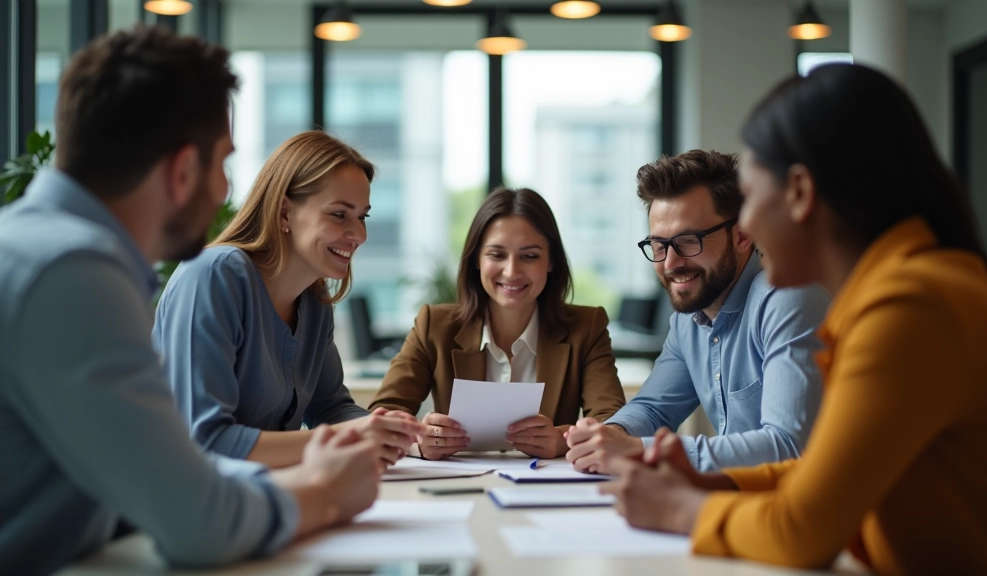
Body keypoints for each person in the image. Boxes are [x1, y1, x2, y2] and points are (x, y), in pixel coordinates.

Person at [600, 64, 987, 575]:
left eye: (753, 198)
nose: (747, 227)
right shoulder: (888, 294)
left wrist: (676, 507)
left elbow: (804, 530)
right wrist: (703, 479)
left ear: (800, 193)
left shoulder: (910, 305)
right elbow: (817, 476)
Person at [0, 26, 386, 575]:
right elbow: (196, 523)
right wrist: (323, 492)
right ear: (184, 170)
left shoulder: (35, 247)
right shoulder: (72, 273)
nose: (227, 190)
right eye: (223, 162)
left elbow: (150, 477)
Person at [153, 131, 424, 469]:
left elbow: (330, 408)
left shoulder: (314, 300)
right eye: (340, 214)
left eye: (362, 216)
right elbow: (204, 441)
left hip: (262, 496)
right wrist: (350, 437)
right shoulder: (213, 275)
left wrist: (405, 437)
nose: (359, 235)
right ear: (284, 213)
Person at [565, 150, 830, 473]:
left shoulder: (787, 299)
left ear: (742, 235)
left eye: (688, 241)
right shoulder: (688, 320)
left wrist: (637, 449)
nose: (670, 263)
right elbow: (653, 410)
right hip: (743, 504)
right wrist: (608, 436)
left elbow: (789, 445)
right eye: (659, 246)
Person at [369, 187, 626, 460]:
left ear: (551, 261)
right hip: (456, 485)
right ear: (476, 260)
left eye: (529, 256)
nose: (512, 271)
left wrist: (563, 441)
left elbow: (612, 422)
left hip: (546, 489)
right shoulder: (435, 325)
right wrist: (419, 441)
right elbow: (383, 413)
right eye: (496, 254)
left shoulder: (586, 327)